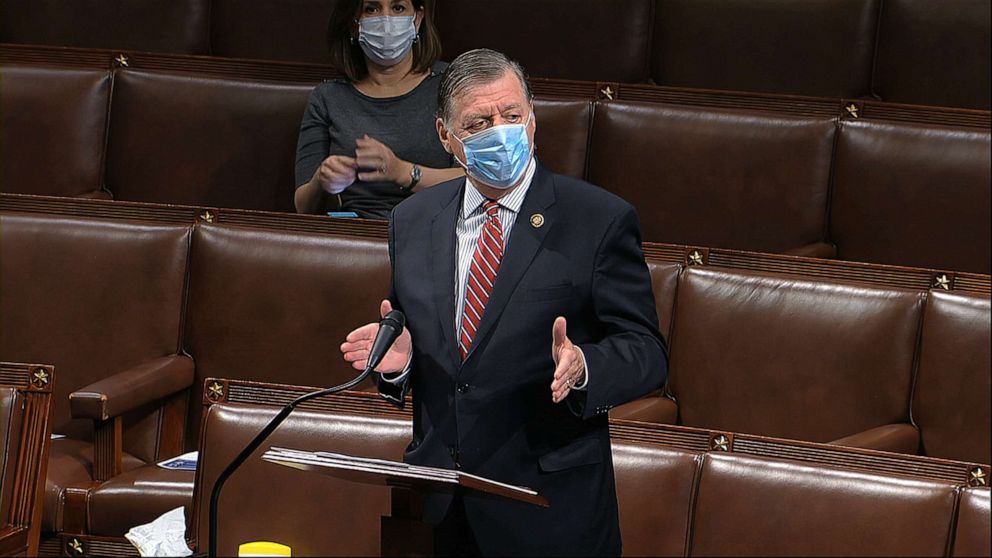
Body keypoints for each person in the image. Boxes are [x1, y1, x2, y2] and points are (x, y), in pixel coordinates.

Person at [340, 49, 668, 556]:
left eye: (511, 116)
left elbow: (647, 352)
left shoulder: (597, 220)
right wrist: (401, 363)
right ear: (446, 137)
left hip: (549, 512)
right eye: (478, 122)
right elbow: (420, 338)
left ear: (532, 121)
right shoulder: (413, 220)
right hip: (440, 510)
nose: (500, 131)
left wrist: (584, 366)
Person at [295, 0, 463, 218]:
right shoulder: (328, 97)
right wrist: (322, 179)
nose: (386, 20)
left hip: (432, 227)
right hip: (352, 235)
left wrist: (403, 172)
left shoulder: (451, 86)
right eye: (372, 9)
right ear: (354, 25)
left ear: (417, 19)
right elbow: (303, 205)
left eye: (398, 8)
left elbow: (478, 182)